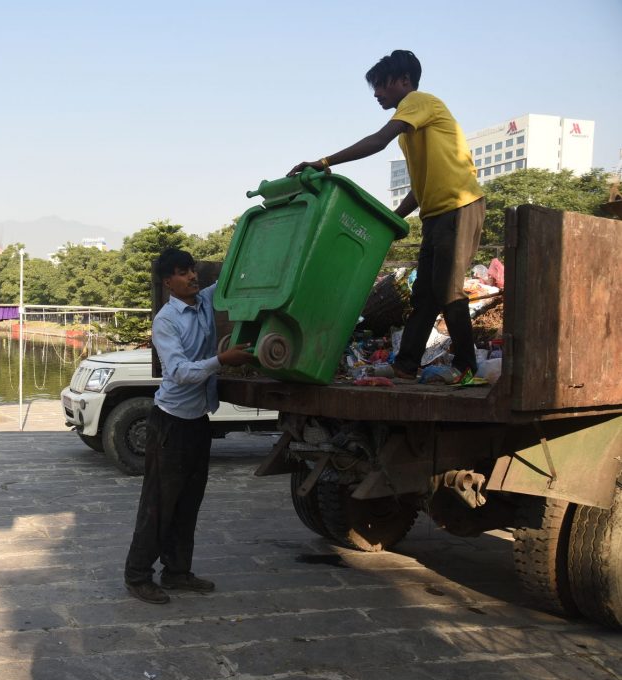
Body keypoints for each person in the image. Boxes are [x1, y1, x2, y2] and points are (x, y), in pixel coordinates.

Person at [288, 49, 485, 384]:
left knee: (449, 291)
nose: (377, 93)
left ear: (404, 81)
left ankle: (467, 368)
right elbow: (420, 189)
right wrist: (393, 220)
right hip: (436, 214)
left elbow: (378, 141)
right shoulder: (412, 134)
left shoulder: (419, 101)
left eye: (381, 85)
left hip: (460, 205)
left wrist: (324, 162)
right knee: (424, 295)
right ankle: (406, 366)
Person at [123, 248, 256, 604]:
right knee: (159, 504)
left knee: (188, 503)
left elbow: (230, 277)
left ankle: (177, 572)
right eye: (183, 272)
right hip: (170, 425)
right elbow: (179, 373)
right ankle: (137, 576)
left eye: (193, 270)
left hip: (198, 421)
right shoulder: (166, 321)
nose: (193, 277)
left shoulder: (204, 300)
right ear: (168, 281)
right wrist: (222, 360)